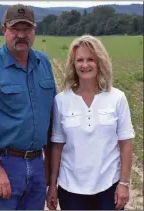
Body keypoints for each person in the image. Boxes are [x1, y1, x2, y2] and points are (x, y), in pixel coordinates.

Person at [0, 4, 56, 210]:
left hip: (36, 162)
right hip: (5, 162)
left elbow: (51, 115)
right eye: (16, 29)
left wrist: (49, 168)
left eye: (27, 29)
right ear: (4, 29)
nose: (21, 35)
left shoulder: (44, 63)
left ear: (35, 29)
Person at [47, 35, 135, 210]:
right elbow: (57, 146)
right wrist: (52, 186)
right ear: (73, 64)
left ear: (100, 62)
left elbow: (126, 143)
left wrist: (123, 183)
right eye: (79, 60)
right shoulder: (61, 100)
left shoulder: (117, 98)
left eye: (90, 59)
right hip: (70, 188)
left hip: (108, 185)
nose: (84, 65)